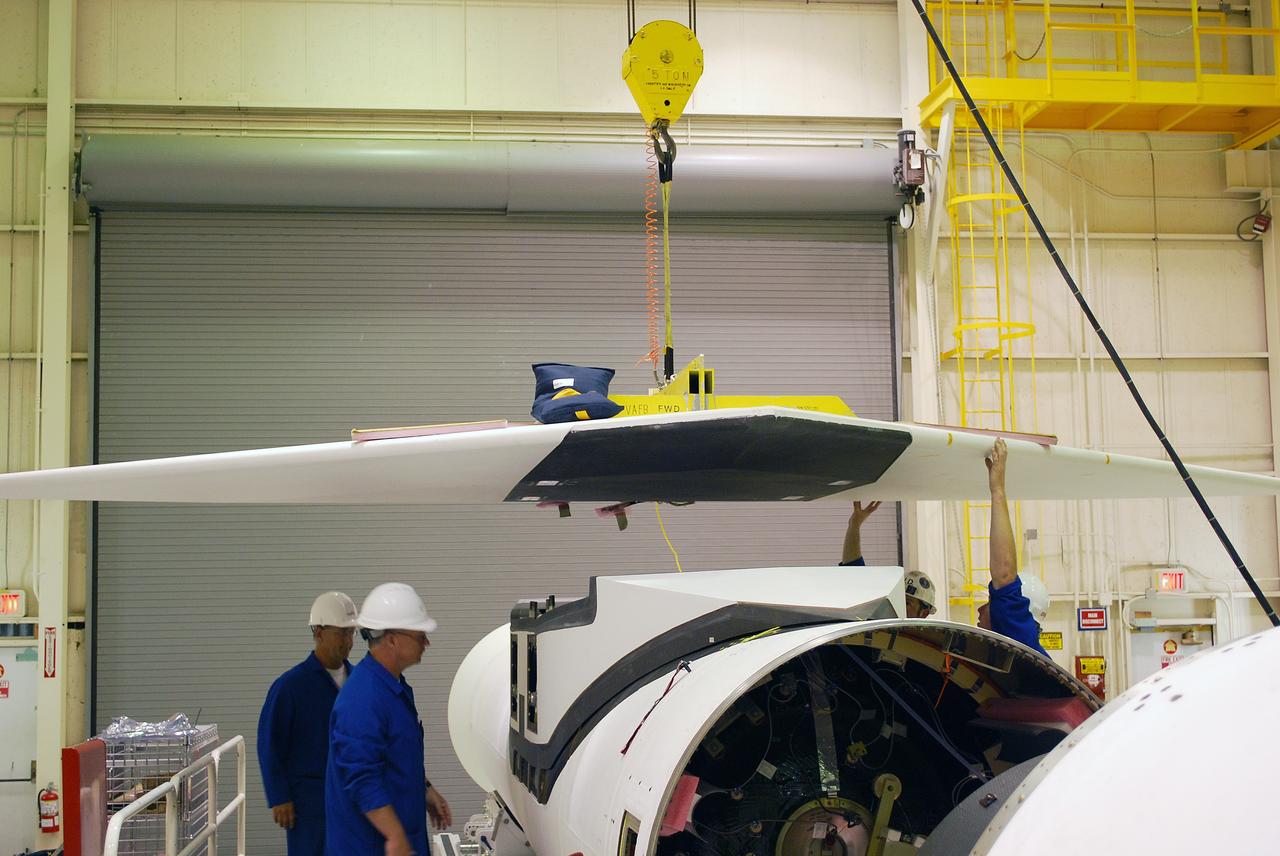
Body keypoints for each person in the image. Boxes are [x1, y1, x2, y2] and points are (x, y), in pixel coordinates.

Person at [326, 583, 452, 856]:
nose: (426, 643)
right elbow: (361, 777)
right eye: (420, 636)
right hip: (370, 845)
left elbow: (396, 755)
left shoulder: (393, 688)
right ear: (393, 638)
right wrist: (395, 836)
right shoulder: (363, 698)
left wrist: (424, 789)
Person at [257, 592, 359, 856]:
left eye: (352, 633)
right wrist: (279, 796)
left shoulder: (360, 682)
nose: (348, 642)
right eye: (342, 633)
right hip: (310, 804)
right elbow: (270, 744)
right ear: (319, 632)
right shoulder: (291, 687)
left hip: (354, 797)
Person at [979, 438, 1050, 655]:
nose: (980, 610)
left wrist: (997, 490)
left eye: (992, 601)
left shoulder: (1018, 640)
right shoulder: (1025, 651)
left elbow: (1005, 574)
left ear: (1018, 610)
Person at [840, 500, 938, 619]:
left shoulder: (926, 637)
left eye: (907, 603)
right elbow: (853, 570)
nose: (897, 607)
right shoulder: (876, 625)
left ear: (923, 613)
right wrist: (854, 525)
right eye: (897, 601)